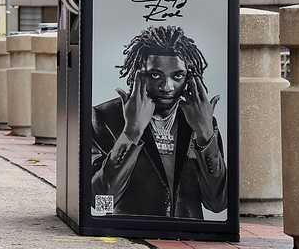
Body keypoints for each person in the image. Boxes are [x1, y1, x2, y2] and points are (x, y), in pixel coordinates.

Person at [89, 25, 226, 218]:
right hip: (129, 237)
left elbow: (217, 203)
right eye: (155, 75)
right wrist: (131, 133)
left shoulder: (201, 120)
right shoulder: (104, 117)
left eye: (177, 76)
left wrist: (205, 135)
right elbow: (100, 200)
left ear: (190, 78)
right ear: (137, 74)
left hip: (185, 238)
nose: (167, 87)